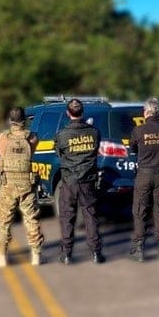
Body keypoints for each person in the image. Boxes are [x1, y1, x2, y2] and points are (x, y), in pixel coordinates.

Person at [0, 107, 44, 267]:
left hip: (8, 185)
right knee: (31, 218)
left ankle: (1, 257)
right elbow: (31, 151)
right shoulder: (32, 137)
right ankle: (36, 255)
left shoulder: (0, 138)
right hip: (27, 184)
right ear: (25, 121)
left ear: (9, 121)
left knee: (4, 221)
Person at [54, 98, 104, 264]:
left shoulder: (62, 135)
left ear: (68, 114)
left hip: (69, 181)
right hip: (87, 181)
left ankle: (66, 254)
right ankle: (96, 252)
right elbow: (96, 150)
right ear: (82, 112)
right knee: (90, 216)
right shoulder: (94, 132)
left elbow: (59, 155)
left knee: (67, 217)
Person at [129, 97, 159, 262]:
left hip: (144, 174)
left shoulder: (138, 130)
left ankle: (139, 249)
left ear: (146, 112)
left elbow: (133, 148)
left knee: (140, 211)